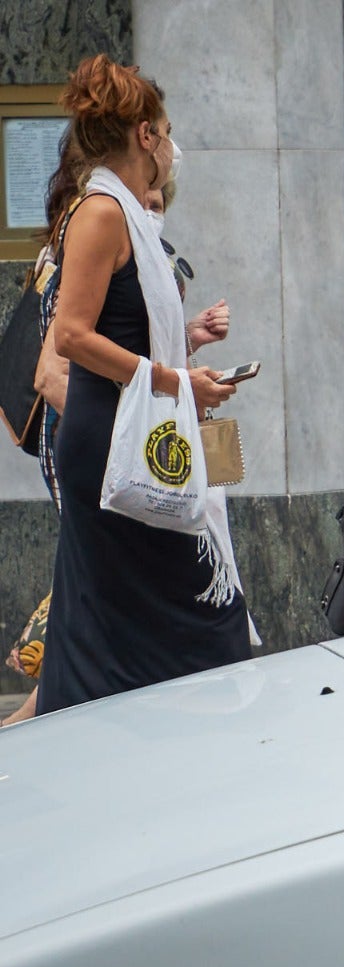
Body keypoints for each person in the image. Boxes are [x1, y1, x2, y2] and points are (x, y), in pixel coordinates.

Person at [34, 55, 249, 716]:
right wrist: (173, 380)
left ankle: (109, 741)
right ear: (146, 138)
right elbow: (69, 336)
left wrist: (181, 367)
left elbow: (123, 328)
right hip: (114, 447)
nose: (172, 150)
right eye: (167, 132)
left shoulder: (124, 213)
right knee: (186, 617)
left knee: (109, 622)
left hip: (124, 435)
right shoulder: (102, 211)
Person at [3, 171, 231, 727]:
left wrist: (188, 342)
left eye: (156, 206)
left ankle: (33, 719)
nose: (152, 213)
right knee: (96, 596)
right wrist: (128, 419)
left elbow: (132, 343)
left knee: (93, 601)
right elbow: (55, 367)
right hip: (105, 457)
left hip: (133, 446)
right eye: (146, 204)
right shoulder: (82, 254)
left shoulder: (135, 252)